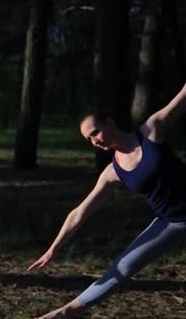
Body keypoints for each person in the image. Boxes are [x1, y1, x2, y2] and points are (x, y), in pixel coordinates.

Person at [28, 82, 186, 318]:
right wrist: (53, 249)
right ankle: (64, 313)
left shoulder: (151, 131)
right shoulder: (112, 172)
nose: (95, 141)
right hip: (171, 221)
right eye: (89, 140)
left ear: (110, 123)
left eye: (95, 133)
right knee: (122, 267)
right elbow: (79, 213)